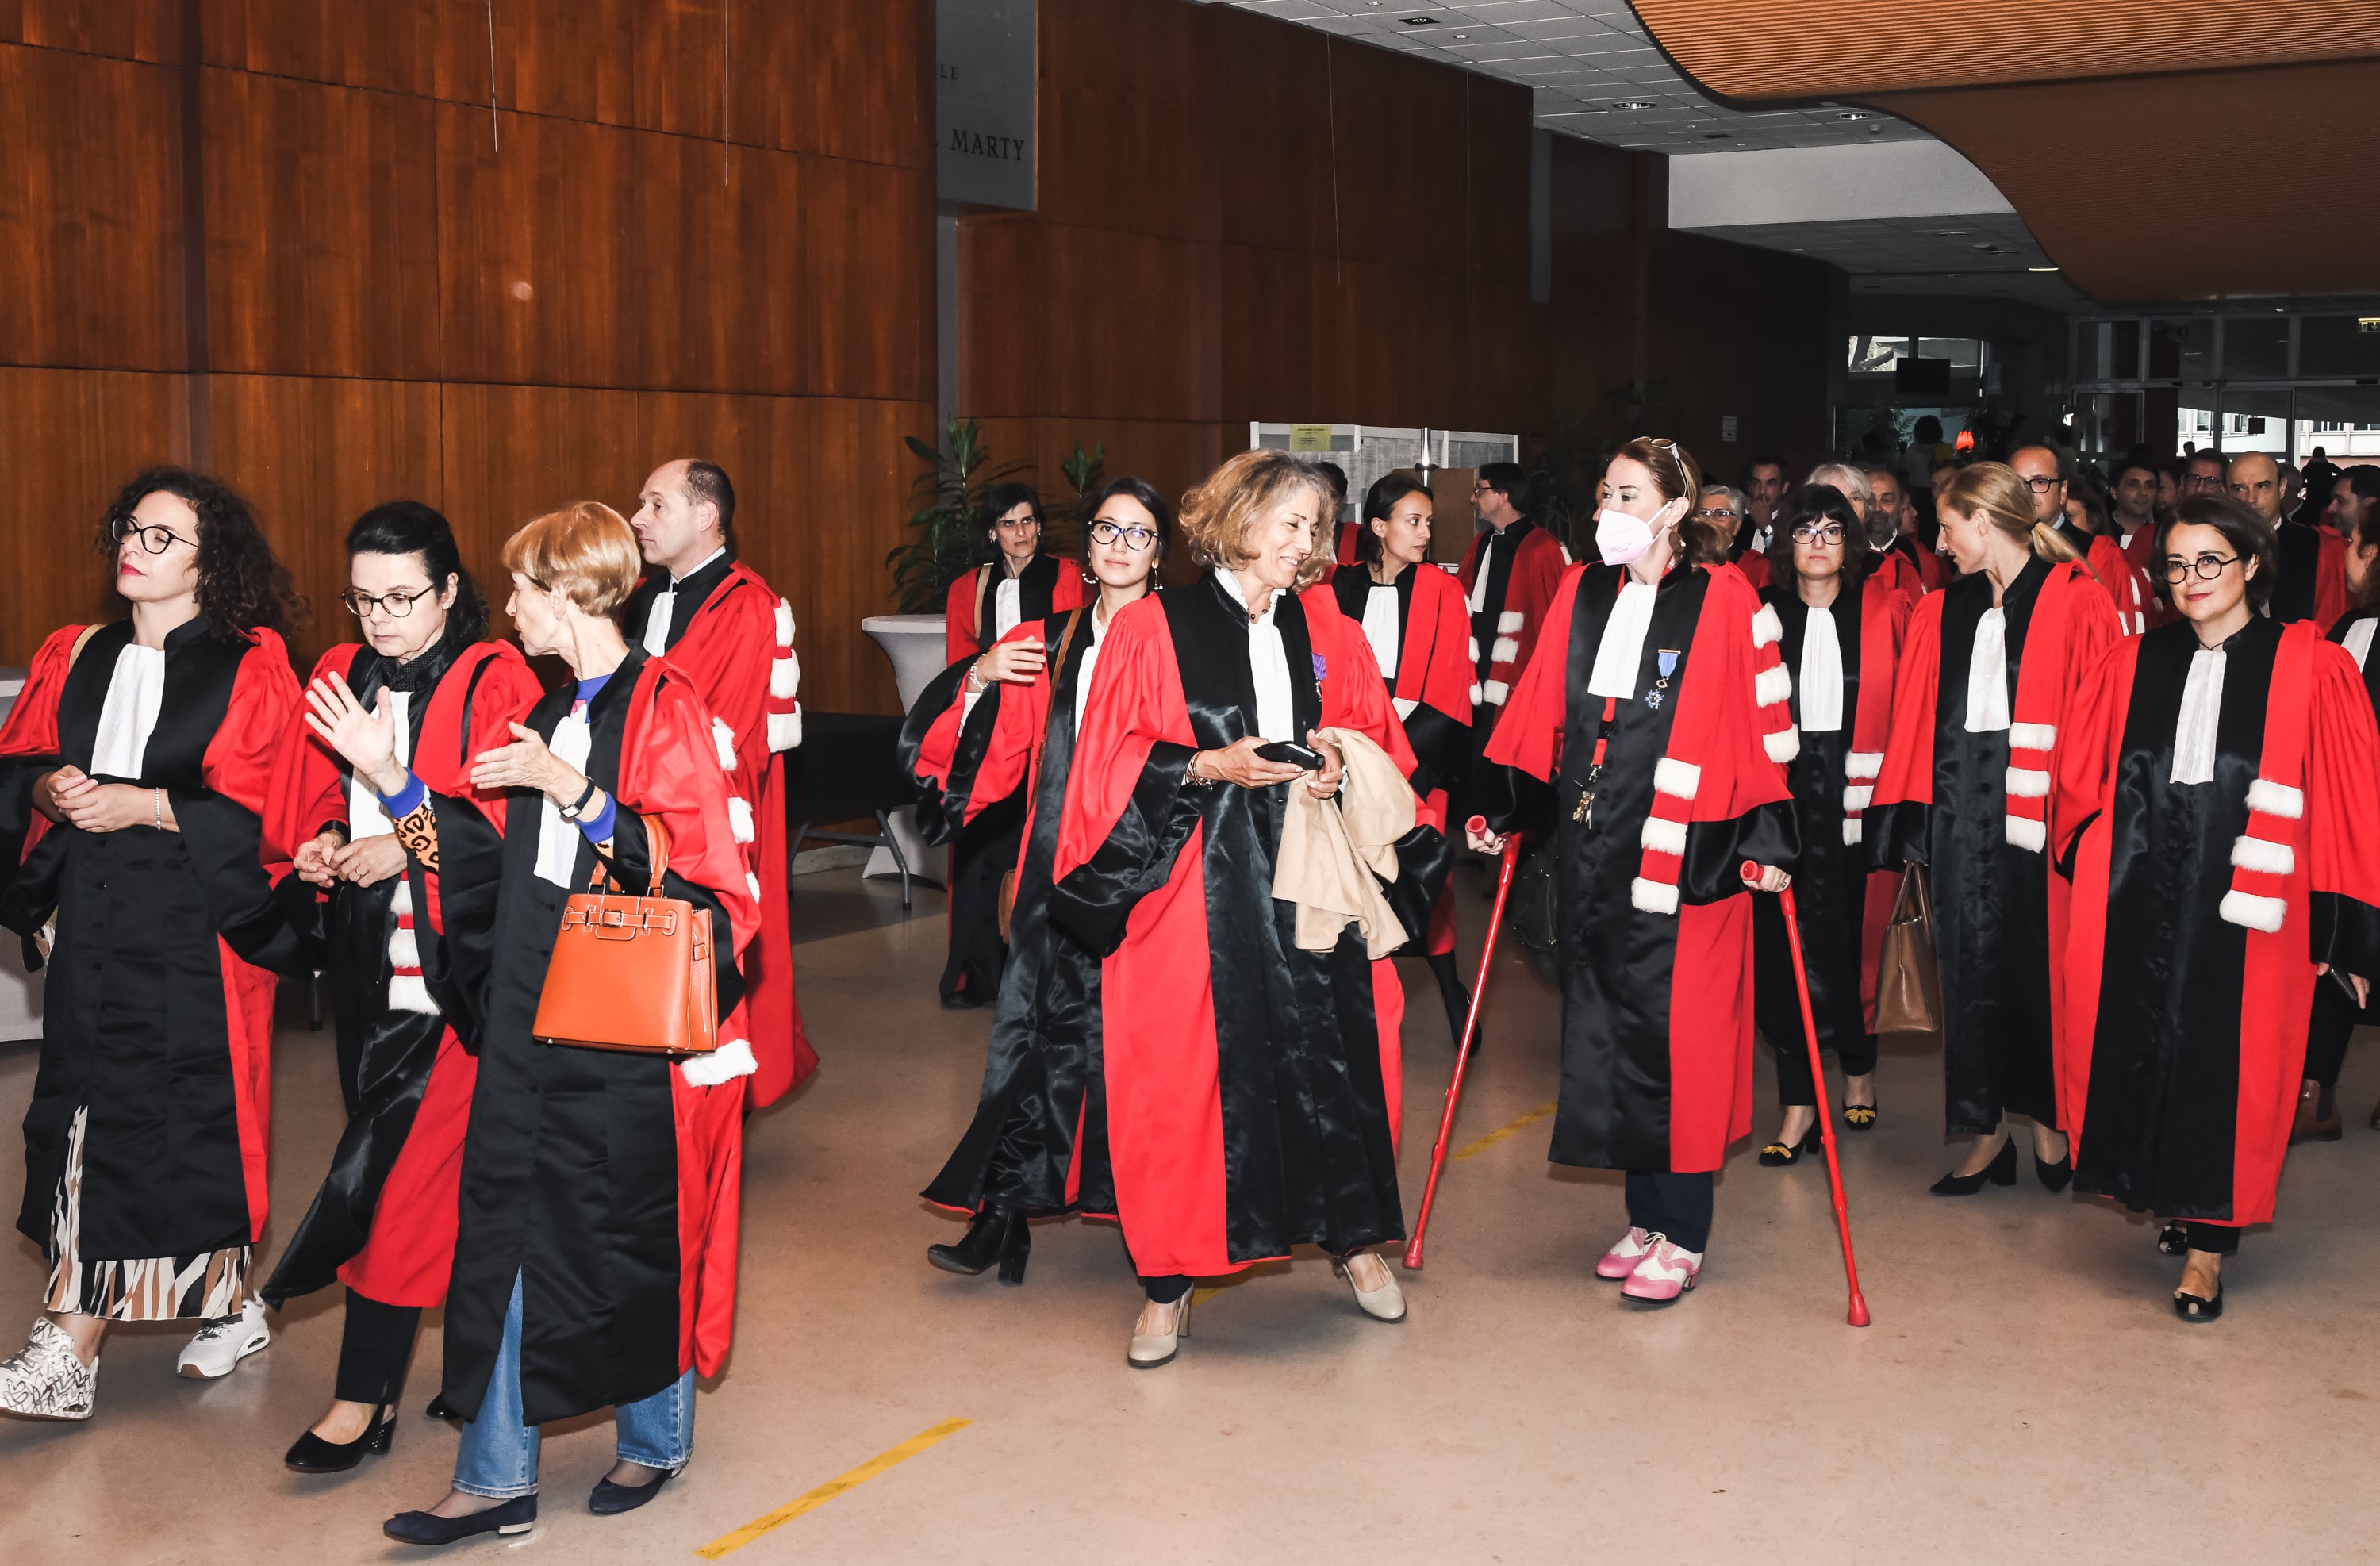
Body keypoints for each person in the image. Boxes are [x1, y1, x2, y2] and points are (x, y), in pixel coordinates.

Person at [313, 501, 757, 1542]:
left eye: (522, 589)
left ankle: (654, 1437)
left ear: (572, 595)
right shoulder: (554, 709)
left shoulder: (665, 705)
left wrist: (580, 793)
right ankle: (497, 1473)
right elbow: (470, 860)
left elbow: (700, 877)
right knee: (507, 1233)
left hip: (623, 1025)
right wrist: (391, 782)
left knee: (631, 1236)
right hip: (527, 1009)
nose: (507, 606)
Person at [1049, 449, 1425, 1367]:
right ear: (1243, 519)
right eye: (1292, 524)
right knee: (1182, 1074)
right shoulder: (1154, 627)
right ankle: (1168, 1282)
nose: (1307, 545)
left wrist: (1336, 761)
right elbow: (1103, 768)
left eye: (1314, 529)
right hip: (1191, 881)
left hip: (1307, 873)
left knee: (1335, 1052)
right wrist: (1209, 765)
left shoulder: (1323, 623)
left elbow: (1370, 729)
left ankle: (1352, 1240)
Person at [0, 468, 311, 1419]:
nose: (135, 547)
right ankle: (229, 1305)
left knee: (164, 1126)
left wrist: (152, 804)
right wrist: (51, 791)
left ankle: (69, 1350)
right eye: (130, 529)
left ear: (210, 562)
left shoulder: (248, 664)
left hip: (193, 935)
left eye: (164, 537)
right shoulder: (76, 651)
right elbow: (19, 760)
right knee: (86, 1117)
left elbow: (275, 808)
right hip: (94, 922)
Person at [1470, 437, 1798, 1303]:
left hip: (1691, 856)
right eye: (1605, 493)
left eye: (1627, 495)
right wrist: (1500, 811)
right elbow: (1542, 711)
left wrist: (1764, 844)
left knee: (1680, 1041)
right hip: (1597, 848)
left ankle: (1684, 1233)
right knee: (1613, 1034)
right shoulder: (1583, 590)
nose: (1608, 510)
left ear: (1674, 511)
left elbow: (1765, 734)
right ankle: (1645, 1217)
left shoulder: (1727, 599)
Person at [259, 503, 544, 1468]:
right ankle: (475, 1374)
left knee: (392, 1184)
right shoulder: (338, 670)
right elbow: (310, 795)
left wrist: (403, 845)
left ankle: (361, 1398)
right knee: (417, 1180)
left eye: (402, 598)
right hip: (367, 965)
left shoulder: (493, 676)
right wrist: (324, 845)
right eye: (362, 598)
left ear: (453, 590)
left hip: (457, 979)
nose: (378, 618)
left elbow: (500, 842)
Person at [2054, 493, 2380, 1320]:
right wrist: (2089, 860)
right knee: (2143, 1047)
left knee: (2225, 1071)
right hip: (2142, 893)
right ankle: (2170, 1195)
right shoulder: (2134, 663)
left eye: (2211, 561)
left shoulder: (2310, 667)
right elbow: (2083, 783)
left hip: (2250, 914)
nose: (2192, 579)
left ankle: (2208, 1249)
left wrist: (2345, 936)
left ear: (2252, 565)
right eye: (2176, 564)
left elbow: (2346, 804)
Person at [900, 477, 1173, 1283]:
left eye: (1139, 533)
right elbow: (996, 755)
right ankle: (1003, 1216)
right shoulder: (1050, 639)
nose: (1120, 546)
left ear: (1160, 553)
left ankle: (1153, 1219)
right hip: (1054, 874)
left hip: (1144, 877)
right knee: (1029, 1045)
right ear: (1085, 547)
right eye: (1107, 530)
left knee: (1136, 1050)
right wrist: (980, 675)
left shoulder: (1179, 640)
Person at [1868, 463, 2121, 1194]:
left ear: (1984, 522)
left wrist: (2088, 826)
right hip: (1958, 818)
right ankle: (1984, 1136)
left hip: (2042, 824)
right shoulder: (1942, 610)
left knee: (2041, 972)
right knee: (1968, 973)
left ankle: (2049, 1128)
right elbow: (1916, 720)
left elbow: (2099, 723)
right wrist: (1910, 819)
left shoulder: (2077, 602)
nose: (1939, 544)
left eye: (1946, 527)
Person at [623, 459, 816, 1103]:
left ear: (706, 518)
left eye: (656, 506)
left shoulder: (746, 603)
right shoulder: (647, 595)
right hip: (637, 818)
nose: (638, 520)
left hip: (705, 826)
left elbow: (718, 733)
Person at [1754, 485, 1909, 1164]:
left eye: (1832, 531)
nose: (1818, 543)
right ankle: (1797, 1107)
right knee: (1784, 956)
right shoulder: (1762, 616)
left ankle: (1858, 1066)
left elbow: (1908, 714)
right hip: (1784, 800)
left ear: (1851, 544)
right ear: (1786, 543)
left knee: (1855, 946)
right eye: (1805, 531)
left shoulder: (1884, 611)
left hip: (1862, 799)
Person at [1332, 473, 1476, 1046]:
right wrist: (1352, 760)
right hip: (1348, 758)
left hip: (1416, 759)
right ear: (1378, 527)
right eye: (1413, 521)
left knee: (1424, 886)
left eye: (1428, 523)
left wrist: (1391, 767)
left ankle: (1451, 992)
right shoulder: (1337, 588)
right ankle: (1355, 1003)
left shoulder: (1443, 591)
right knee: (1348, 888)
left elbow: (1451, 692)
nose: (1424, 533)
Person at [2301, 491, 2380, 1138]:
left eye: (2354, 544)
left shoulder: (2354, 632)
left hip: (2356, 820)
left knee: (2338, 942)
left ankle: (2317, 1094)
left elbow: (2322, 734)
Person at [1461, 462, 1565, 735]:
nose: (1473, 498)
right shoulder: (1481, 542)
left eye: (1479, 490)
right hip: (1478, 657)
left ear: (1502, 495)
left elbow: (1551, 619)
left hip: (1518, 664)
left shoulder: (1542, 547)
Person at [942, 482, 1092, 663]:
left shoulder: (1069, 577)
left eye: (1027, 521)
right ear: (993, 533)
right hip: (990, 690)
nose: (1021, 532)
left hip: (1054, 690)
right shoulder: (967, 588)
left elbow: (1080, 653)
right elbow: (961, 665)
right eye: (1008, 524)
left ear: (1038, 526)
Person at [2013, 443, 2147, 635]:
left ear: (2063, 491)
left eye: (2040, 482)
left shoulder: (2099, 555)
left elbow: (2114, 638)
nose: (2027, 493)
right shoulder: (1995, 551)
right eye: (2017, 484)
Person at [2233, 451, 2347, 626]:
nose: (2250, 499)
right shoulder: (2213, 550)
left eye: (2262, 486)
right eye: (2239, 489)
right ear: (2226, 492)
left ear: (2281, 488)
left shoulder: (2322, 548)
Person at [2110, 450, 2172, 628]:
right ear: (2114, 491)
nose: (2143, 492)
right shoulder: (2097, 535)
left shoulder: (2166, 538)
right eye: (2133, 484)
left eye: (2150, 485)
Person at [1863, 464, 1944, 596]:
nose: (1877, 508)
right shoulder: (1843, 555)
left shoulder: (1925, 560)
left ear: (1901, 507)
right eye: (1870, 501)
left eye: (1887, 501)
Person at [1739, 454, 1790, 558]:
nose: (1762, 491)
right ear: (1749, 487)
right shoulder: (1739, 521)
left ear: (1784, 487)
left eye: (1770, 483)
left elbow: (1786, 564)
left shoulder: (1793, 522)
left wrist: (1768, 529)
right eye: (1756, 483)